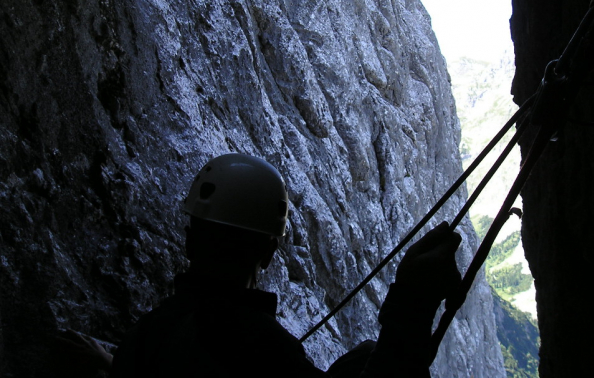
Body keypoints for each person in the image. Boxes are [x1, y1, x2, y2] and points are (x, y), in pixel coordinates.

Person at [102, 153, 462, 377]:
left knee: (363, 357)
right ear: (269, 252)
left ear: (189, 238)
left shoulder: (145, 334)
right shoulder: (255, 345)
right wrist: (411, 310)